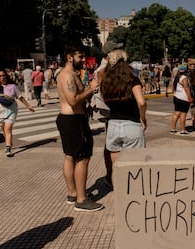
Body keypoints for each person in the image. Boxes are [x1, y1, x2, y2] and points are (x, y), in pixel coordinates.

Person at [56, 45, 103, 212]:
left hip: (69, 119)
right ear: (70, 57)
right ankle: (82, 200)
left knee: (70, 156)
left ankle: (73, 193)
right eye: (80, 57)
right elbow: (73, 100)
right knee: (82, 158)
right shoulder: (67, 76)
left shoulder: (69, 74)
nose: (83, 60)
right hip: (74, 120)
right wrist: (91, 89)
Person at [100, 49, 147, 188]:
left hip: (113, 125)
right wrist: (143, 118)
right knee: (134, 167)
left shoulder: (106, 80)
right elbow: (142, 102)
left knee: (116, 168)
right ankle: (132, 197)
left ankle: (119, 199)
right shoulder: (132, 79)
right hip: (131, 124)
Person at [0, 69, 35, 156]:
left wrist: (28, 106)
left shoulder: (12, 86)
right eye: (0, 76)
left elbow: (20, 97)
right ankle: (9, 142)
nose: (2, 78)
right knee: (4, 131)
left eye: (3, 75)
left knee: (8, 129)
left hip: (11, 110)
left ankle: (8, 148)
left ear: (6, 76)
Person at [170, 65, 193, 135]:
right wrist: (190, 99)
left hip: (176, 97)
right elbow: (186, 88)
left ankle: (173, 129)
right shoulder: (184, 78)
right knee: (183, 114)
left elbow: (173, 88)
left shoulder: (176, 78)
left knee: (176, 113)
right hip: (183, 98)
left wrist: (175, 93)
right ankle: (182, 130)